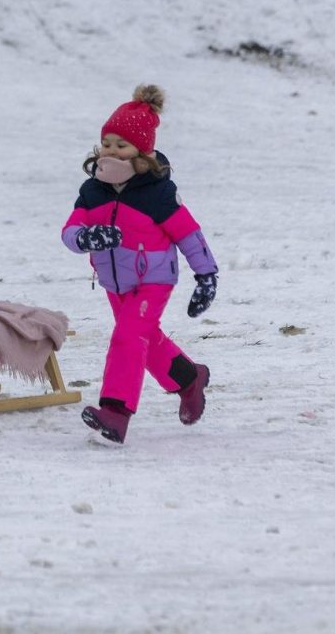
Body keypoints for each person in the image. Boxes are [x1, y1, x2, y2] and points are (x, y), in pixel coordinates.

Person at [60, 84, 218, 445]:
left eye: (122, 145)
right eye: (107, 143)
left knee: (128, 337)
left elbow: (188, 233)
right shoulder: (92, 190)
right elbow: (70, 231)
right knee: (145, 341)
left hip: (154, 279)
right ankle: (189, 378)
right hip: (115, 282)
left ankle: (115, 413)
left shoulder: (157, 192)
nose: (111, 151)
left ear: (141, 151)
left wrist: (206, 275)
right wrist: (86, 238)